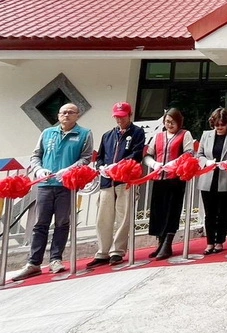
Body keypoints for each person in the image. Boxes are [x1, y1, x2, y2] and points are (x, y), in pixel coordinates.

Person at [12, 103, 93, 281]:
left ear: (78, 115)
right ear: (58, 115)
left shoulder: (84, 134)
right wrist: (39, 170)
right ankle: (34, 263)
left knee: (62, 223)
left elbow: (86, 157)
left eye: (71, 112)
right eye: (63, 112)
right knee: (40, 224)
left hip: (66, 185)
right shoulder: (47, 133)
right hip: (45, 185)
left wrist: (70, 169)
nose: (66, 115)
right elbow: (35, 156)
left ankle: (56, 259)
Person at [86, 102, 146, 269]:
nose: (119, 120)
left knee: (123, 215)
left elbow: (136, 154)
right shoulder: (107, 135)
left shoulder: (137, 133)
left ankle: (117, 251)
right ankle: (102, 251)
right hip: (107, 181)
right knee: (103, 217)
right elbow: (100, 156)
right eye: (117, 117)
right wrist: (101, 167)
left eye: (123, 116)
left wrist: (119, 166)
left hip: (125, 180)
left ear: (130, 115)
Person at [143, 108, 195, 260]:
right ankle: (160, 241)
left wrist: (174, 163)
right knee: (158, 210)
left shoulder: (185, 134)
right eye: (167, 122)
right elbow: (148, 154)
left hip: (175, 178)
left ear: (179, 122)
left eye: (173, 122)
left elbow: (189, 153)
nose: (169, 125)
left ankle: (168, 243)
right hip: (159, 178)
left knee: (172, 210)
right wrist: (153, 164)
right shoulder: (158, 136)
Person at [197, 107, 227, 255]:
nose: (219, 128)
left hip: (226, 178)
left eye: (222, 125)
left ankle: (219, 241)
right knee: (209, 213)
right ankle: (209, 242)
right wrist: (206, 162)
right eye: (217, 125)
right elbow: (200, 154)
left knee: (223, 212)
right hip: (208, 178)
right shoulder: (206, 135)